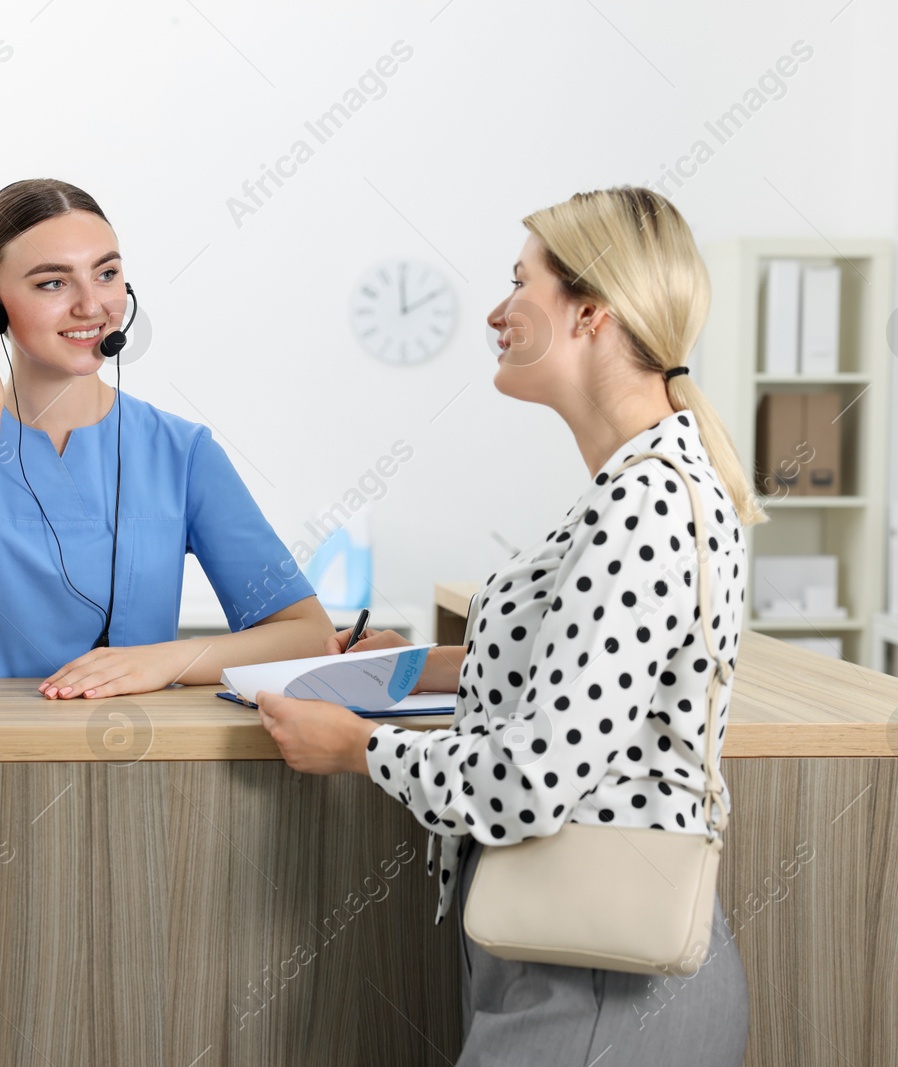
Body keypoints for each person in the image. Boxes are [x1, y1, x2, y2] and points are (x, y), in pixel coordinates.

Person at [254, 186, 763, 1064]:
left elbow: (532, 778)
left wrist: (353, 747)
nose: (498, 310)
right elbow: (593, 676)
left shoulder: (643, 504)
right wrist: (436, 663)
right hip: (578, 972)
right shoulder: (646, 482)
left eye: (520, 281)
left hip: (598, 990)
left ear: (592, 313)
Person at [0, 179, 332, 693]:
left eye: (106, 274)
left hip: (126, 756)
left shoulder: (182, 453)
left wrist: (162, 662)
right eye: (52, 283)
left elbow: (306, 634)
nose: (92, 306)